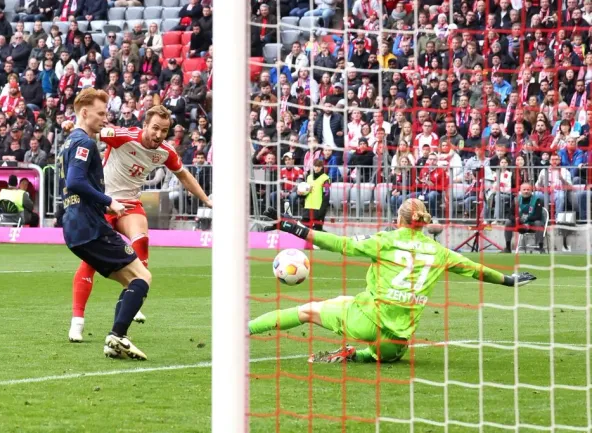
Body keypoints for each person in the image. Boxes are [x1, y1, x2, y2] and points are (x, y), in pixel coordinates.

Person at [253, 199, 537, 363]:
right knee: (364, 325)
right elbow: (477, 270)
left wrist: (290, 226)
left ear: (399, 220)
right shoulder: (440, 252)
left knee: (308, 310)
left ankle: (246, 328)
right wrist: (509, 281)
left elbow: (338, 244)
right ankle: (359, 355)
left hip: (367, 321)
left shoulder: (386, 241)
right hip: (396, 342)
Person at [68, 105, 213, 344]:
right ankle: (77, 321)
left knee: (141, 240)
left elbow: (184, 175)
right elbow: (93, 132)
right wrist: (72, 126)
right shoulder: (124, 136)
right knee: (90, 261)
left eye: (164, 131)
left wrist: (206, 199)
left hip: (129, 205)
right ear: (145, 125)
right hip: (103, 203)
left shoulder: (165, 152)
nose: (158, 134)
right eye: (155, 128)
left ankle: (133, 298)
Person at [58, 88, 150, 360]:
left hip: (74, 228)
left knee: (129, 281)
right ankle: (117, 336)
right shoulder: (84, 143)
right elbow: (74, 181)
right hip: (89, 225)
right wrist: (109, 200)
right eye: (100, 114)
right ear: (84, 113)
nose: (104, 119)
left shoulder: (69, 141)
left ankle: (117, 337)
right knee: (142, 276)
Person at [503, 183, 545, 253]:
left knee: (538, 223)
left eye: (528, 190)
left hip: (532, 225)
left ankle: (540, 247)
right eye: (524, 189)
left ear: (531, 191)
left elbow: (538, 216)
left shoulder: (537, 200)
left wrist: (527, 220)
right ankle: (507, 248)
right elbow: (510, 214)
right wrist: (517, 220)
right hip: (519, 224)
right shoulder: (516, 200)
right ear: (520, 191)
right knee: (508, 222)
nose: (526, 191)